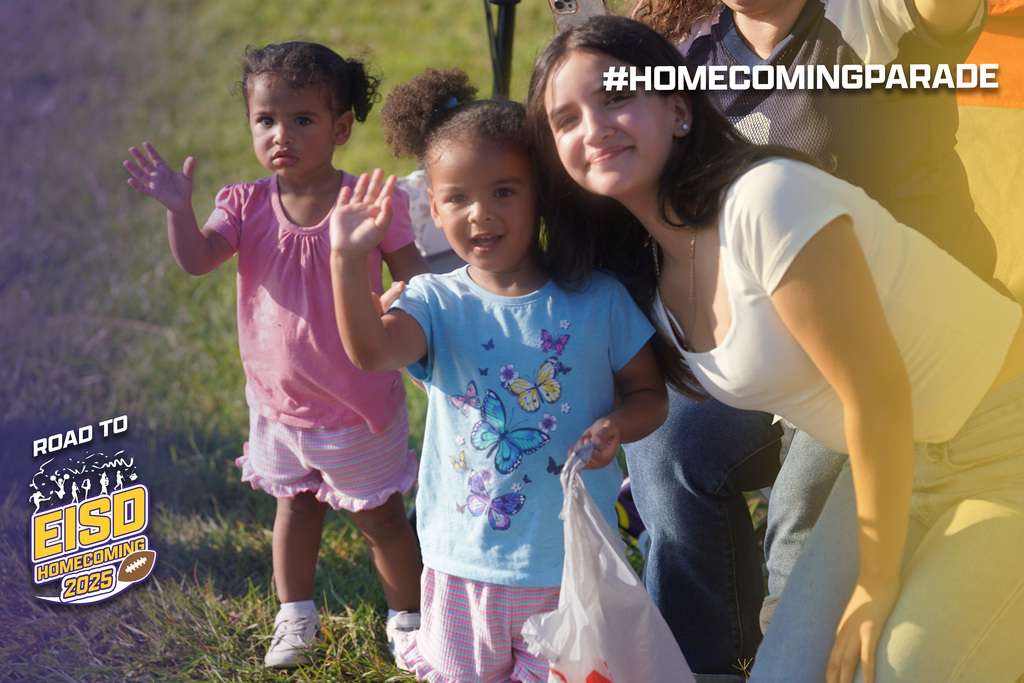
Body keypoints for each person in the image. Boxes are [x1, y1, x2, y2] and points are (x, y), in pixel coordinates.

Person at [527, 15, 1024, 683]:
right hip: (905, 460)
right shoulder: (643, 272)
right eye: (565, 120)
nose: (595, 127)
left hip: (1002, 438)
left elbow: (877, 393)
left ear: (679, 109)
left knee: (899, 669)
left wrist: (873, 587)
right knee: (786, 674)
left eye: (617, 97)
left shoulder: (766, 201)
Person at [329, 66, 669, 682]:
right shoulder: (434, 300)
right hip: (464, 568)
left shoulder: (599, 299)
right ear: (432, 207)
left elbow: (650, 395)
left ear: (541, 191)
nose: (479, 214)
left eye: (504, 191)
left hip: (569, 569)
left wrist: (619, 425)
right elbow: (371, 351)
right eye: (457, 198)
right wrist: (348, 263)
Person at [122, 41, 428, 669]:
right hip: (278, 407)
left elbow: (416, 276)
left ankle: (409, 618)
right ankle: (296, 617)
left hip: (357, 407)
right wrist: (179, 211)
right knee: (294, 509)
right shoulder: (244, 203)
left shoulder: (370, 202)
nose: (280, 134)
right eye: (265, 120)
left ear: (341, 127)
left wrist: (399, 303)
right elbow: (198, 259)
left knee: (383, 521)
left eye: (302, 120)